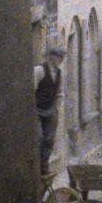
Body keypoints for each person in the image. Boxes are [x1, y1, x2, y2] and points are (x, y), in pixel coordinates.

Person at [35, 42, 64, 178]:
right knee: (39, 137)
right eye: (58, 56)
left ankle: (44, 167)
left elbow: (59, 93)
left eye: (62, 57)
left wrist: (55, 108)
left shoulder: (59, 73)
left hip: (50, 110)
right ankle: (35, 168)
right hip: (36, 110)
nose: (61, 59)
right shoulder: (39, 70)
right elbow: (31, 90)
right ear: (50, 57)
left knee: (49, 139)